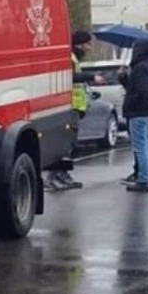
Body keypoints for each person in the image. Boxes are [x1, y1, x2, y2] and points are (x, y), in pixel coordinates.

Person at [46, 30, 97, 190]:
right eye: (87, 44)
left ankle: (63, 175)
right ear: (79, 44)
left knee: (70, 144)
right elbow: (70, 77)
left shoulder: (74, 58)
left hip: (74, 107)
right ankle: (54, 177)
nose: (89, 48)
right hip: (69, 106)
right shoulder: (70, 58)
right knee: (66, 144)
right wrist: (91, 77)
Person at [120, 39, 148, 192]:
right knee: (146, 146)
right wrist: (124, 79)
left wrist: (130, 102)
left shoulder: (140, 67)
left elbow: (139, 91)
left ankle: (144, 179)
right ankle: (144, 177)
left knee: (140, 147)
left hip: (138, 111)